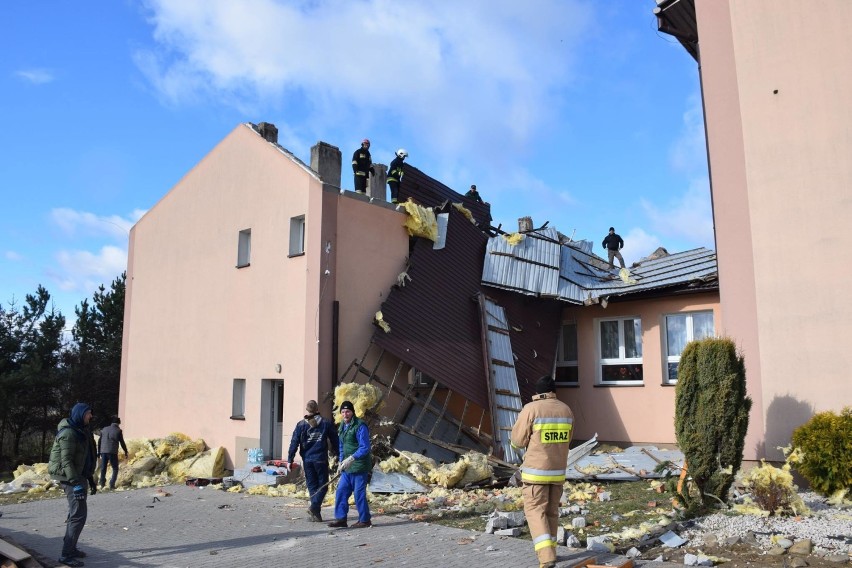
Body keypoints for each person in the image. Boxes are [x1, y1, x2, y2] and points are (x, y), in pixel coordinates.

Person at [510, 376, 574, 568]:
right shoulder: (566, 410)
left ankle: (546, 558)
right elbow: (568, 440)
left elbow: (518, 441)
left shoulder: (531, 409)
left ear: (537, 393)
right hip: (557, 472)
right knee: (551, 512)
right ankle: (552, 552)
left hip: (535, 473)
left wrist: (516, 445)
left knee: (535, 511)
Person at [50, 403, 98, 567]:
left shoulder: (81, 430)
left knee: (75, 514)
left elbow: (85, 458)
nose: (90, 417)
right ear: (80, 414)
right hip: (70, 477)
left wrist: (89, 478)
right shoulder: (69, 433)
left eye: (90, 414)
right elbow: (67, 461)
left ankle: (71, 548)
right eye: (88, 414)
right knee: (78, 515)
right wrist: (76, 484)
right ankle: (66, 555)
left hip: (79, 476)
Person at [287, 399, 340, 522]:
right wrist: (339, 455)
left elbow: (294, 442)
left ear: (307, 410)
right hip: (320, 459)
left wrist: (290, 459)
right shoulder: (326, 423)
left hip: (307, 460)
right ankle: (314, 507)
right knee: (323, 486)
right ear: (317, 410)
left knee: (312, 485)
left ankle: (316, 513)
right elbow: (335, 441)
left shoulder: (301, 425)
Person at [327, 400, 372, 529]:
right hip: (347, 468)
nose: (345, 414)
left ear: (352, 412)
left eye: (348, 411)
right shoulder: (342, 425)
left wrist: (352, 458)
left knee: (359, 494)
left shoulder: (360, 426)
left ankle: (365, 520)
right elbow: (342, 445)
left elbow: (365, 447)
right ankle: (341, 519)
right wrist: (341, 462)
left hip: (359, 466)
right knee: (341, 491)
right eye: (343, 412)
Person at [98, 415, 128, 490]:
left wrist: (99, 451)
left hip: (103, 451)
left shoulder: (104, 429)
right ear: (118, 423)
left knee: (103, 468)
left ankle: (102, 484)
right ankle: (112, 484)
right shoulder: (118, 431)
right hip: (112, 452)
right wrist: (126, 451)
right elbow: (122, 442)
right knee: (115, 468)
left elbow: (99, 441)